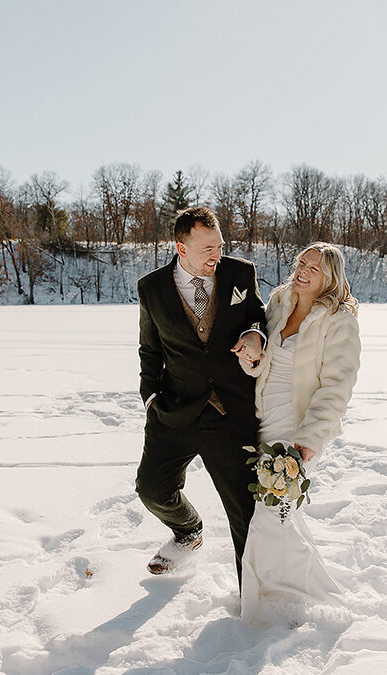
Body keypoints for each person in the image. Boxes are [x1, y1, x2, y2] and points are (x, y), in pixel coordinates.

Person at [136, 206, 267, 586]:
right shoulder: (153, 288)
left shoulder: (240, 273)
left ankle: (254, 597)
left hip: (230, 413)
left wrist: (255, 335)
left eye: (221, 245)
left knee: (245, 510)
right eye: (208, 247)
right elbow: (150, 348)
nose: (217, 254)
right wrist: (149, 397)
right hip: (175, 408)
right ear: (182, 248)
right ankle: (188, 531)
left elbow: (257, 314)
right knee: (153, 489)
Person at [236, 242, 361, 622]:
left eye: (314, 268)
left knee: (270, 511)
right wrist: (252, 359)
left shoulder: (339, 320)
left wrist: (309, 437)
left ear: (331, 278)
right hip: (259, 417)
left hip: (295, 428)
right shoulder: (280, 301)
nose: (303, 271)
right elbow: (266, 363)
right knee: (277, 512)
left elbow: (337, 385)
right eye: (301, 263)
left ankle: (280, 596)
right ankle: (275, 587)